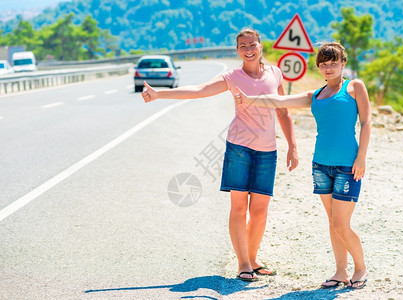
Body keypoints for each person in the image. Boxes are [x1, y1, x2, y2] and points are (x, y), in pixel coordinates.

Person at [141, 28, 299, 281]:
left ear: (261, 46)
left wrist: (292, 145)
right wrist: (160, 94)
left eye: (252, 45)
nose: (248, 50)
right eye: (242, 46)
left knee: (260, 210)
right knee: (239, 207)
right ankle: (243, 263)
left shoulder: (275, 74)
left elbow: (283, 111)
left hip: (268, 150)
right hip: (239, 148)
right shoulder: (232, 77)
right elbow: (199, 90)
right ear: (237, 51)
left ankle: (254, 258)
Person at [233, 42, 371, 289]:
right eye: (324, 64)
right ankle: (341, 271)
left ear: (343, 64)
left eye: (334, 63)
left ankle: (360, 268)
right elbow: (278, 100)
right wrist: (248, 99)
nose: (329, 68)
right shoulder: (315, 96)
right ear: (319, 67)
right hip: (320, 166)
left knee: (341, 223)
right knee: (332, 223)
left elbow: (367, 122)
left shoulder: (354, 87)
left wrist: (361, 158)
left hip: (348, 167)